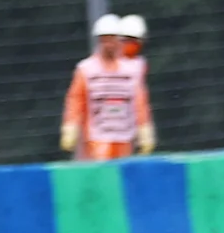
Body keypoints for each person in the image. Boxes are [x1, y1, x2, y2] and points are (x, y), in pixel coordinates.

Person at [60, 15, 154, 160]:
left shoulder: (132, 69)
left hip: (124, 135)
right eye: (104, 39)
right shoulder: (86, 69)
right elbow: (76, 100)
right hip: (95, 138)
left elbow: (140, 102)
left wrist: (145, 131)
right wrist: (70, 128)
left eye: (112, 38)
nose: (108, 43)